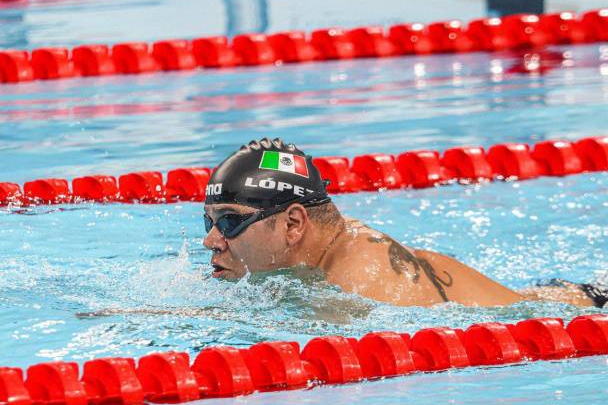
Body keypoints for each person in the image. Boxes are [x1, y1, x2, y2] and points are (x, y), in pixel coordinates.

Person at [203, 137, 607, 308]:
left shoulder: (364, 278)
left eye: (230, 223)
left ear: (294, 224)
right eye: (208, 221)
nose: (211, 240)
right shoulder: (326, 252)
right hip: (553, 297)